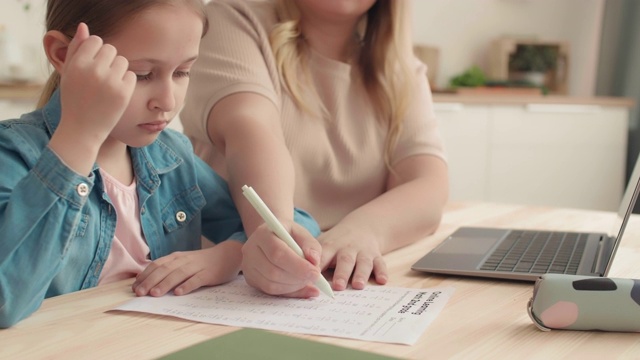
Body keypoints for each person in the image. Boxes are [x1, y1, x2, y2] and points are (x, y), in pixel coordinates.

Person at [0, 0, 320, 328]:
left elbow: (294, 224)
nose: (167, 101)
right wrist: (80, 135)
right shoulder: (14, 154)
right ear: (64, 55)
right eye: (142, 75)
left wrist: (229, 256)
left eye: (182, 72)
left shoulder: (170, 157)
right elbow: (6, 301)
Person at [180, 0, 449, 298]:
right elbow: (251, 131)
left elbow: (428, 185)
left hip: (339, 286)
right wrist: (277, 236)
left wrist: (363, 231)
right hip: (227, 287)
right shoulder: (233, 19)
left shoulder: (401, 70)